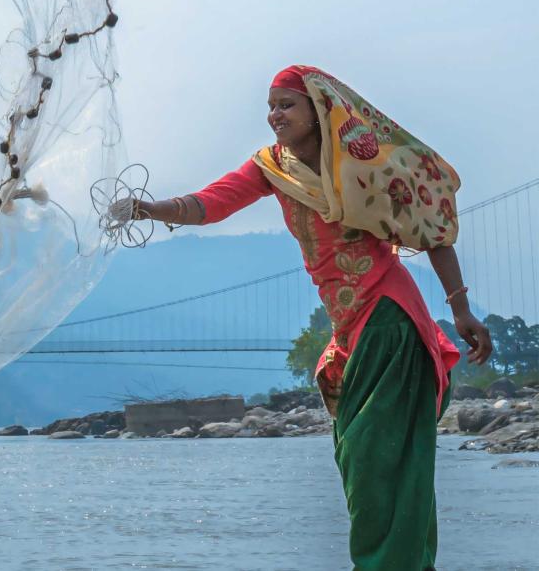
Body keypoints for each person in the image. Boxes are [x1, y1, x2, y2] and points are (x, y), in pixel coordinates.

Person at [110, 65, 493, 571]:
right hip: (350, 330)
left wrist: (460, 308)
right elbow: (212, 202)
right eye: (270, 106)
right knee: (361, 462)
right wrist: (148, 209)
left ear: (319, 110)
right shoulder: (272, 167)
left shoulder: (364, 162)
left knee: (379, 461)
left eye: (287, 104)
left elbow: (432, 227)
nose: (275, 115)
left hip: (389, 318)